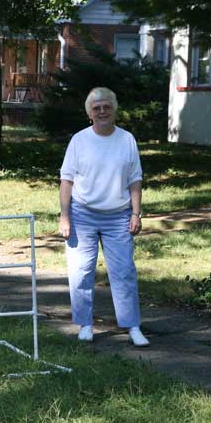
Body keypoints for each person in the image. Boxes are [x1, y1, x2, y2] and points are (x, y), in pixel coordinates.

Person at [58, 87, 150, 347]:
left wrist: (136, 213)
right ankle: (85, 324)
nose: (102, 111)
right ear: (89, 113)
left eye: (106, 106)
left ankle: (132, 326)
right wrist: (64, 216)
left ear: (114, 109)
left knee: (123, 272)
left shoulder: (127, 140)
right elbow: (66, 180)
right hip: (82, 215)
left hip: (119, 216)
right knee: (81, 272)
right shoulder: (79, 140)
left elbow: (135, 180)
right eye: (96, 108)